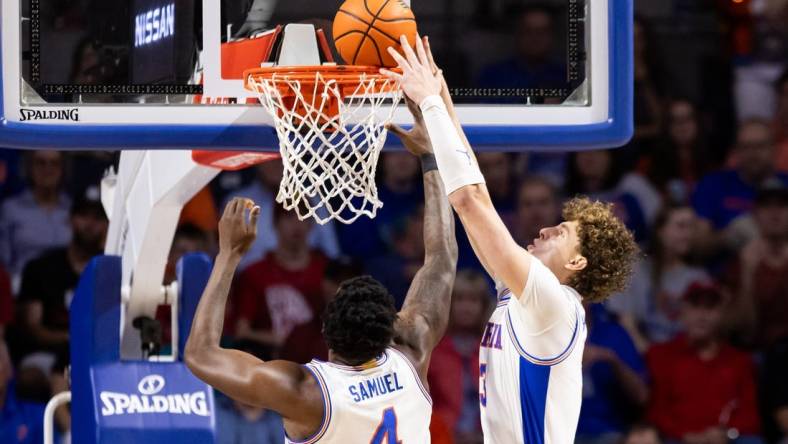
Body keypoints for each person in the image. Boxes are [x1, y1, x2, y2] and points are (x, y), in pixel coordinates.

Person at [383, 35, 638, 443]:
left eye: (562, 233)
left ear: (577, 264)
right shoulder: (520, 293)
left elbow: (469, 200)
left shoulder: (555, 305)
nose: (545, 229)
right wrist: (442, 98)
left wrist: (431, 103)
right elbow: (477, 192)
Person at [185, 95, 458, 443]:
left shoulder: (307, 394)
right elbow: (441, 258)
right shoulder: (412, 352)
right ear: (391, 328)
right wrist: (430, 157)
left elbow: (200, 355)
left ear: (326, 330)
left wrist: (229, 253)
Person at [646, 283, 762, 444]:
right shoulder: (661, 355)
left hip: (727, 438)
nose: (702, 315)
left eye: (710, 307)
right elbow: (657, 411)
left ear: (721, 314)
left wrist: (727, 433)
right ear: (682, 312)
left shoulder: (739, 361)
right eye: (695, 306)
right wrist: (685, 435)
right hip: (677, 439)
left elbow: (750, 414)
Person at [11, 193, 107, 362]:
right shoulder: (40, 268)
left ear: (107, 225)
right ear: (70, 219)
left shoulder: (113, 269)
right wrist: (71, 338)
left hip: (100, 354)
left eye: (97, 218)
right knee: (31, 377)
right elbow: (32, 328)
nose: (90, 224)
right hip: (48, 353)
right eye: (83, 216)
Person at [607, 204, 709, 351]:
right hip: (639, 350)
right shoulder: (633, 266)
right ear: (661, 231)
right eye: (681, 226)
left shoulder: (699, 277)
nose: (688, 234)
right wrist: (650, 354)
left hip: (683, 356)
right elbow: (625, 320)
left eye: (691, 227)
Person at [232, 204, 327, 349]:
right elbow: (241, 332)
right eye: (289, 216)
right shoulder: (254, 273)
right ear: (276, 223)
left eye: (304, 216)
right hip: (269, 359)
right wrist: (283, 341)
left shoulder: (326, 270)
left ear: (312, 223)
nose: (297, 223)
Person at [692, 119, 788, 254]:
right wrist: (725, 237)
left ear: (774, 149)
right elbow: (695, 246)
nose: (753, 154)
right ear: (736, 152)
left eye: (760, 146)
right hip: (723, 271)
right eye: (746, 147)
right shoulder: (713, 184)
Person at [428, 270, 493, 443]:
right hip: (442, 437)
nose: (466, 307)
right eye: (459, 299)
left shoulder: (494, 350)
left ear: (484, 306)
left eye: (473, 300)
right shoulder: (433, 350)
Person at [722, 180, 788, 349]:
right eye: (767, 206)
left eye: (782, 206)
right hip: (756, 352)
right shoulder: (741, 262)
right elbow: (742, 330)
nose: (775, 214)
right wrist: (748, 274)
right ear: (755, 215)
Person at [576, 304, 648, 444]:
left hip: (610, 433)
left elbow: (642, 396)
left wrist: (612, 360)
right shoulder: (543, 336)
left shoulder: (613, 333)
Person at [0, 151, 71, 279]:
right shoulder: (10, 209)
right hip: (21, 287)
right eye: (40, 163)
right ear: (29, 167)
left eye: (54, 163)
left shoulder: (72, 209)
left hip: (66, 286)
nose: (47, 169)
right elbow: (4, 262)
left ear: (63, 169)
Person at [513, 176, 561, 249]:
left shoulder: (570, 251)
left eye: (543, 202)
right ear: (518, 210)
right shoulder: (507, 248)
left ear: (556, 207)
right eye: (528, 204)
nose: (535, 210)